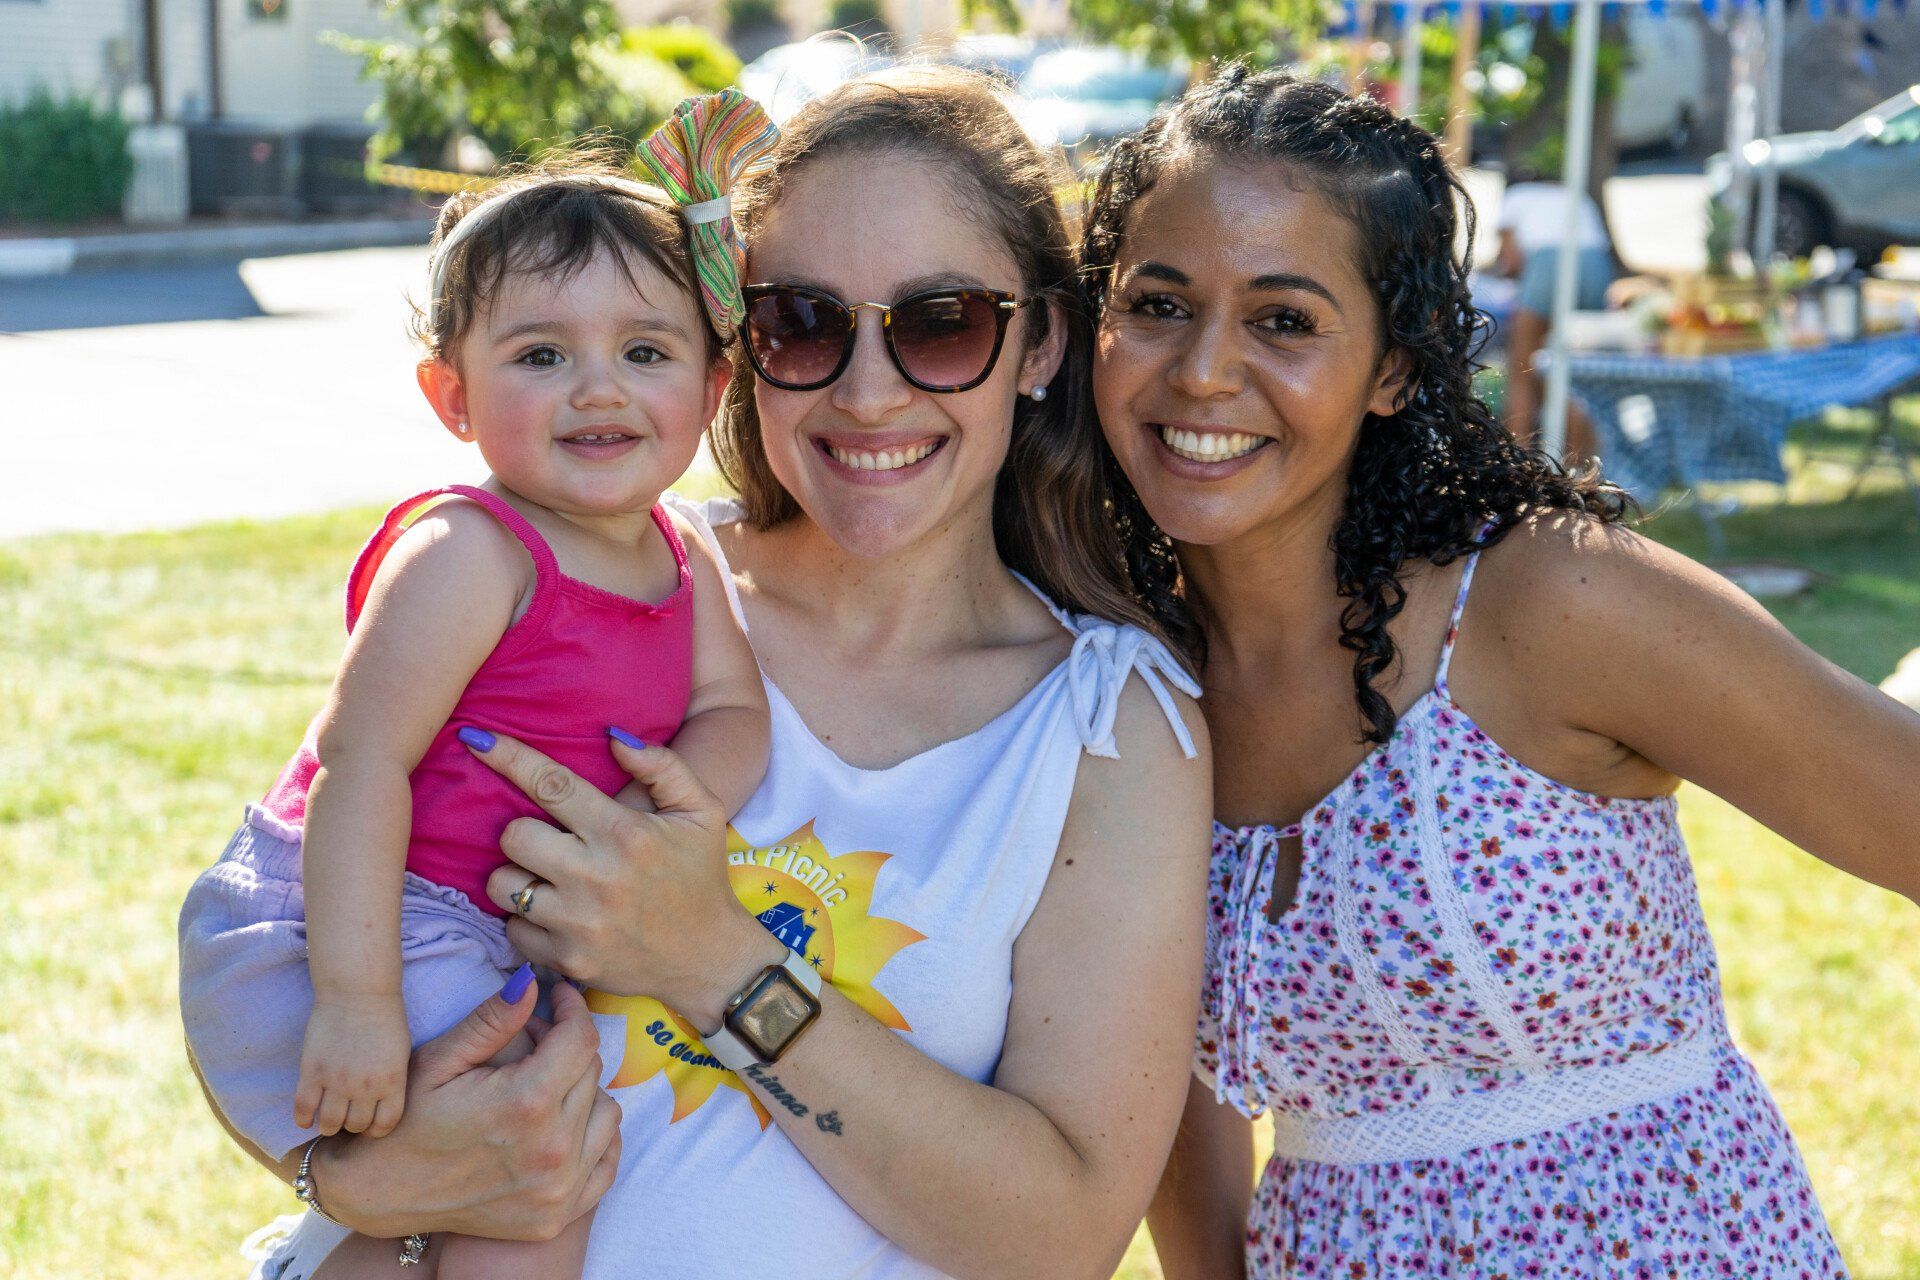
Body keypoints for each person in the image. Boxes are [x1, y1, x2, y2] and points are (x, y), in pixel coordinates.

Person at [188, 67, 1215, 1279]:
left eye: (943, 322)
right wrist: (356, 1172)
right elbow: (293, 928)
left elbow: (1060, 1236)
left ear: (1038, 339)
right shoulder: (600, 574)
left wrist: (712, 958)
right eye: (803, 322)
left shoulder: (1108, 725)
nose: (868, 387)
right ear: (741, 345)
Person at [1081, 66, 1919, 1277]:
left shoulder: (1549, 601)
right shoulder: (1123, 677)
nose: (1205, 370)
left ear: (1395, 369)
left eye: (1285, 319)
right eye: (1158, 303)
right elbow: (1172, 1099)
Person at [178, 97, 778, 1278]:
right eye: (541, 354)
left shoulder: (684, 555)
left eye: (644, 352)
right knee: (538, 1166)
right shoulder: (472, 551)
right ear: (451, 396)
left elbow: (733, 712)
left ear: (710, 391)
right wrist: (356, 999)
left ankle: (321, 1255)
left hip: (494, 928)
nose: (597, 387)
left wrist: (652, 830)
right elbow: (358, 765)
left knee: (498, 1178)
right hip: (371, 913)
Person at [1492, 163, 1617, 457]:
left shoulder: (1517, 195)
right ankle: (1581, 463)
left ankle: (1518, 460)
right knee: (1580, 374)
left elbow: (1511, 263)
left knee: (1523, 367)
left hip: (1549, 263)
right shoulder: (1577, 196)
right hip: (1596, 265)